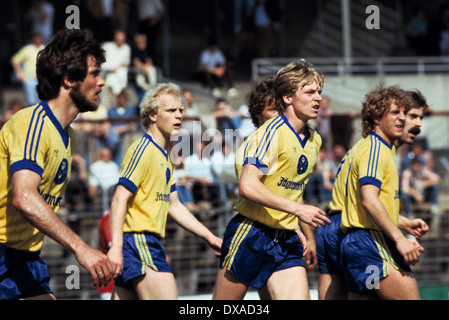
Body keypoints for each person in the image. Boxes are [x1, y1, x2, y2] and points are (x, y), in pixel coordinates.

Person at [0, 29, 113, 300]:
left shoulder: (68, 136)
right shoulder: (32, 123)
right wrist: (81, 247)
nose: (102, 82)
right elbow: (24, 197)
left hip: (26, 259)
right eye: (94, 73)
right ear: (68, 79)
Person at [213, 59, 330, 300]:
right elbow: (248, 185)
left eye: (319, 92)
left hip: (285, 238)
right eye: (310, 92)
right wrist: (297, 210)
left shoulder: (314, 140)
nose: (318, 98)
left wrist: (308, 236)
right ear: (287, 97)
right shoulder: (269, 133)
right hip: (251, 233)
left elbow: (295, 193)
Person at [107, 83, 222, 300]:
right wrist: (116, 247)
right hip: (139, 242)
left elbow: (174, 205)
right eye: (171, 111)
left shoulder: (164, 156)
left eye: (180, 110)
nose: (178, 115)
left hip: (145, 243)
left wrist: (210, 237)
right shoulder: (143, 150)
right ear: (151, 115)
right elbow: (119, 198)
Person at [316, 88, 431, 300]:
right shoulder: (375, 149)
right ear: (378, 117)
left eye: (411, 115)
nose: (413, 122)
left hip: (346, 232)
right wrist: (400, 239)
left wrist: (402, 223)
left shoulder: (375, 148)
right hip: (359, 234)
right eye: (407, 114)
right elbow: (368, 200)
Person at [10, 33, 45, 107]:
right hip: (29, 78)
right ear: (34, 39)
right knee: (31, 101)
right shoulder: (28, 49)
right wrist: (19, 74)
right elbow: (15, 60)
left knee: (41, 101)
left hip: (41, 79)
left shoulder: (44, 49)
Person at [102, 30, 131, 96]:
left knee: (121, 74)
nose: (120, 41)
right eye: (119, 39)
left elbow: (127, 63)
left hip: (120, 73)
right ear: (115, 38)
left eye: (122, 40)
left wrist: (118, 66)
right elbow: (101, 60)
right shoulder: (107, 46)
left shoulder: (126, 47)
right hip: (107, 73)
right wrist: (110, 68)